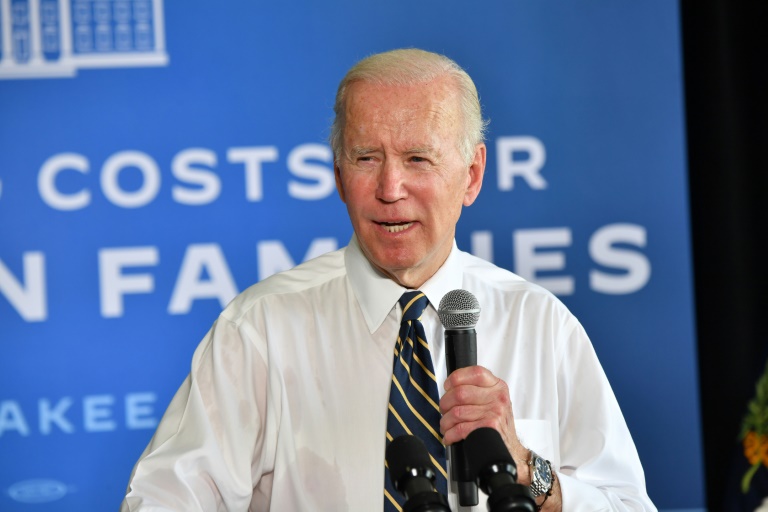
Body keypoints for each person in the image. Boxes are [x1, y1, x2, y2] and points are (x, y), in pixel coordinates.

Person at [120, 48, 656, 511]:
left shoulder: (540, 323)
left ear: (471, 175)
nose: (390, 187)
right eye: (365, 158)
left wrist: (525, 468)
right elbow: (163, 499)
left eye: (418, 158)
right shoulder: (260, 329)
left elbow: (627, 505)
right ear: (336, 174)